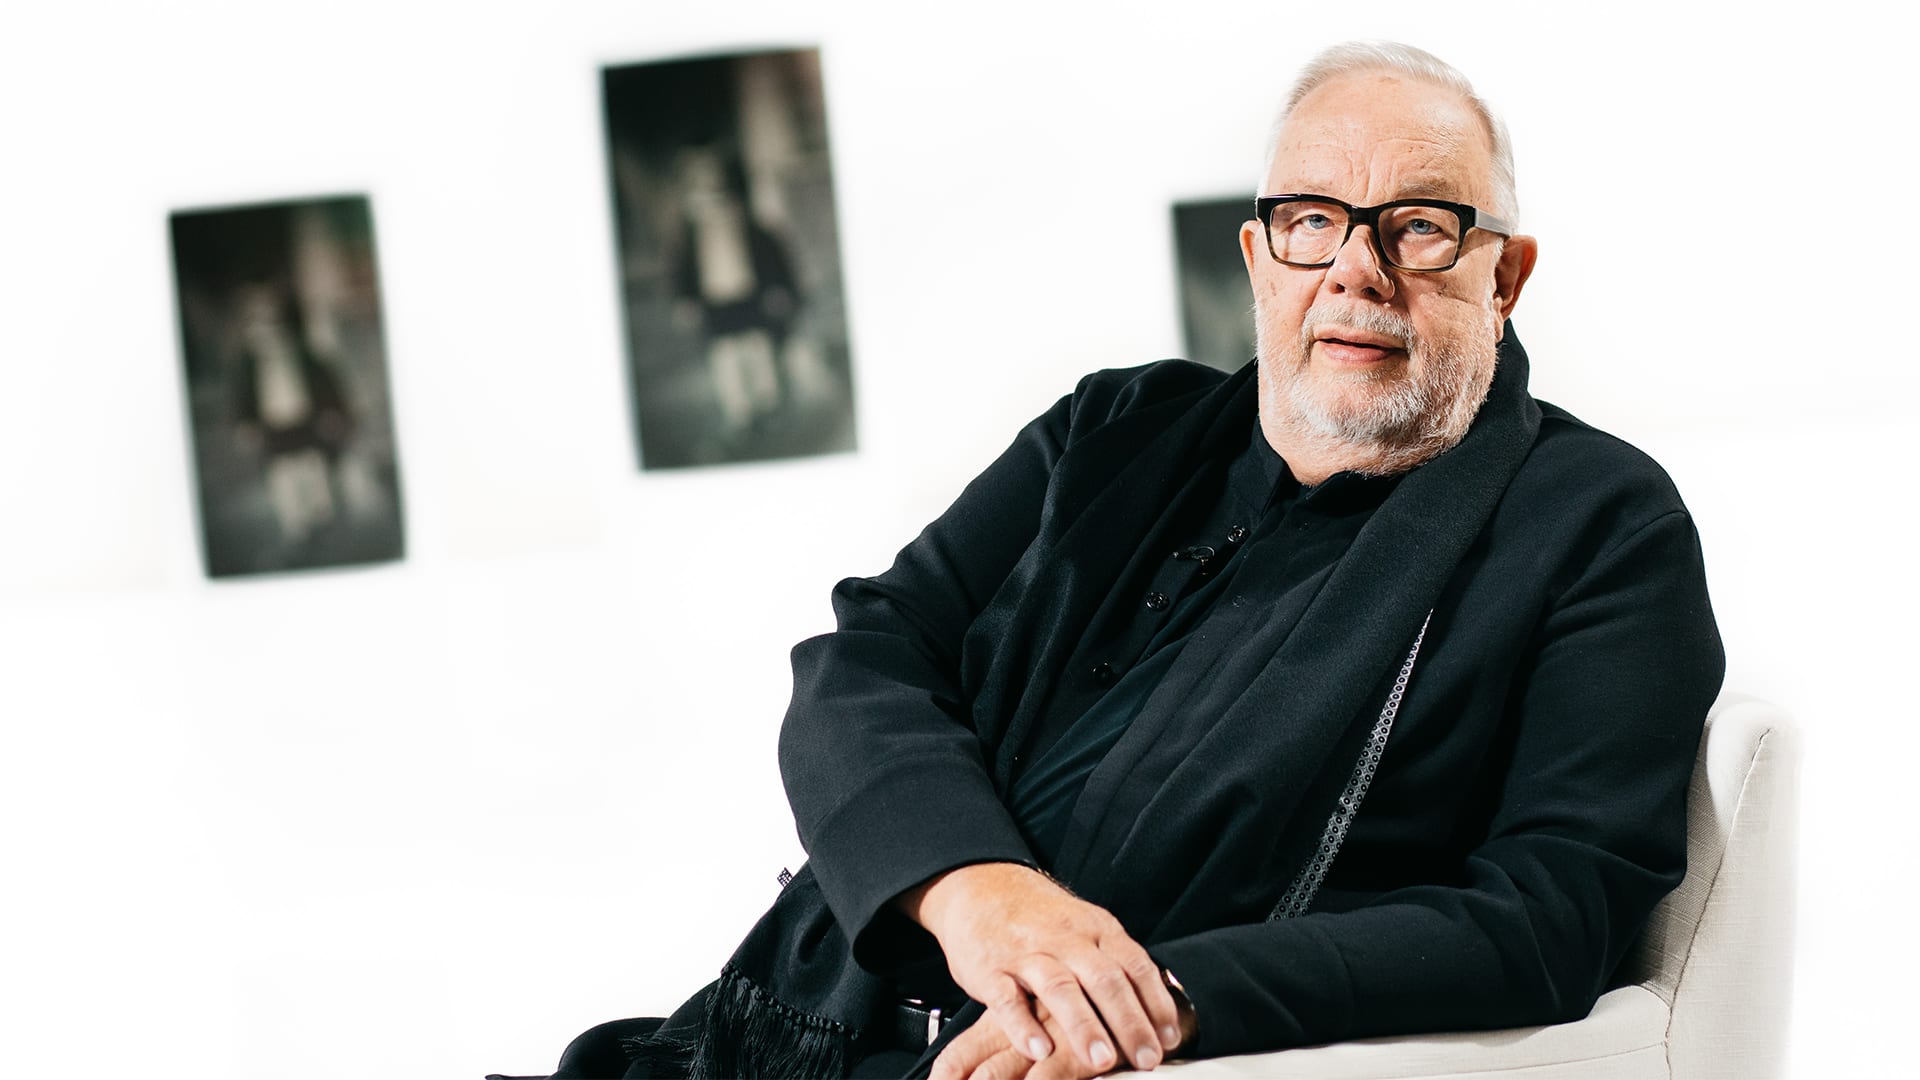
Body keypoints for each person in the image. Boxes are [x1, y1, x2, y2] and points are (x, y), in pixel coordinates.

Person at [505, 40, 1723, 1080]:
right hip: (801, 1031)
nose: (1358, 268)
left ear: (1505, 275)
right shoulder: (1112, 429)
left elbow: (1550, 912)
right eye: (1311, 221)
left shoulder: (1599, 524)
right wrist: (977, 892)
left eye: (1420, 226)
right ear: (1259, 259)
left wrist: (1159, 1001)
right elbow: (868, 655)